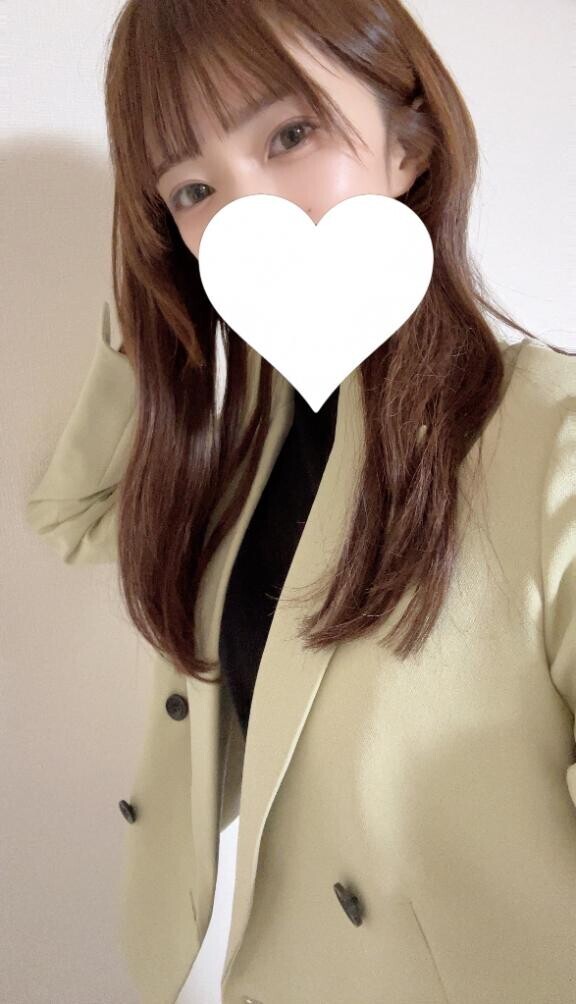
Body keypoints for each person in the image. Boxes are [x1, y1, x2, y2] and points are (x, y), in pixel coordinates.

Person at [25, 2, 576, 1002]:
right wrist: (149, 330)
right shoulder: (248, 439)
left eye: (290, 134)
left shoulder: (551, 441)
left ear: (407, 144)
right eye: (194, 189)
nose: (249, 214)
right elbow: (76, 516)